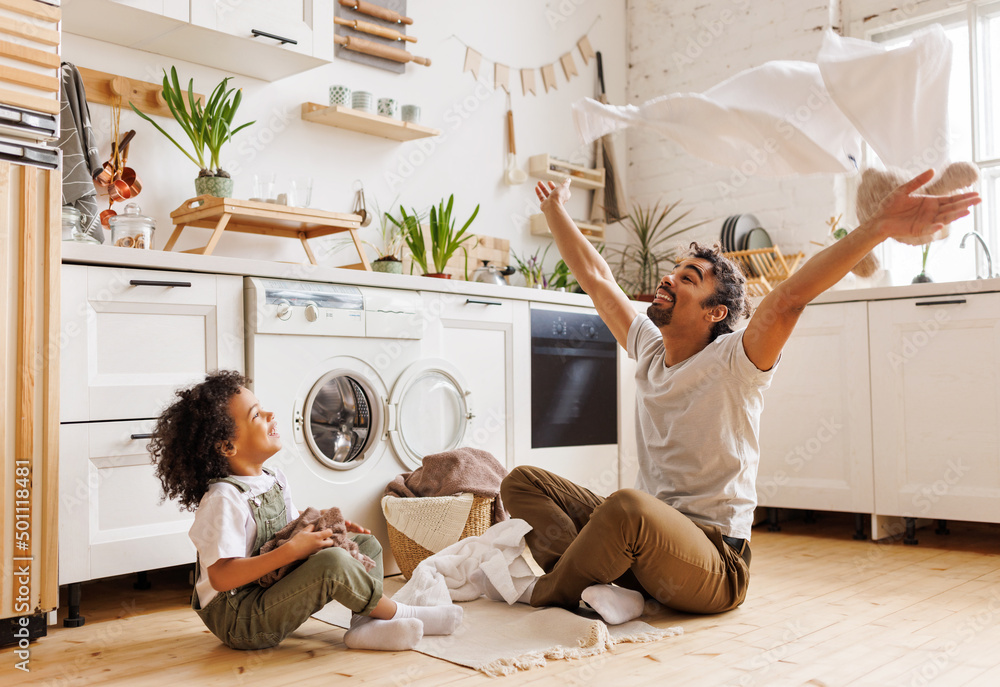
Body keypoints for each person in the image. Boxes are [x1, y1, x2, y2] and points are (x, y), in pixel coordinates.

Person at [501, 172, 980, 625]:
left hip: (716, 563)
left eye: (688, 279)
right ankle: (602, 588)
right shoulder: (650, 348)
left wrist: (877, 228)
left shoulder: (737, 361)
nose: (668, 279)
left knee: (626, 508)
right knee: (522, 483)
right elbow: (597, 276)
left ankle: (547, 593)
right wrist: (554, 209)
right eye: (674, 272)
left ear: (717, 312)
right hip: (650, 546)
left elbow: (790, 299)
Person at [149, 370, 462, 651]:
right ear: (227, 447)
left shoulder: (273, 479)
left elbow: (290, 531)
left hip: (269, 589)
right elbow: (221, 576)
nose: (270, 413)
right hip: (241, 618)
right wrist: (291, 553)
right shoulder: (222, 499)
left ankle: (365, 626)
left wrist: (327, 529)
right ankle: (399, 612)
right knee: (332, 563)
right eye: (256, 415)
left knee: (365, 544)